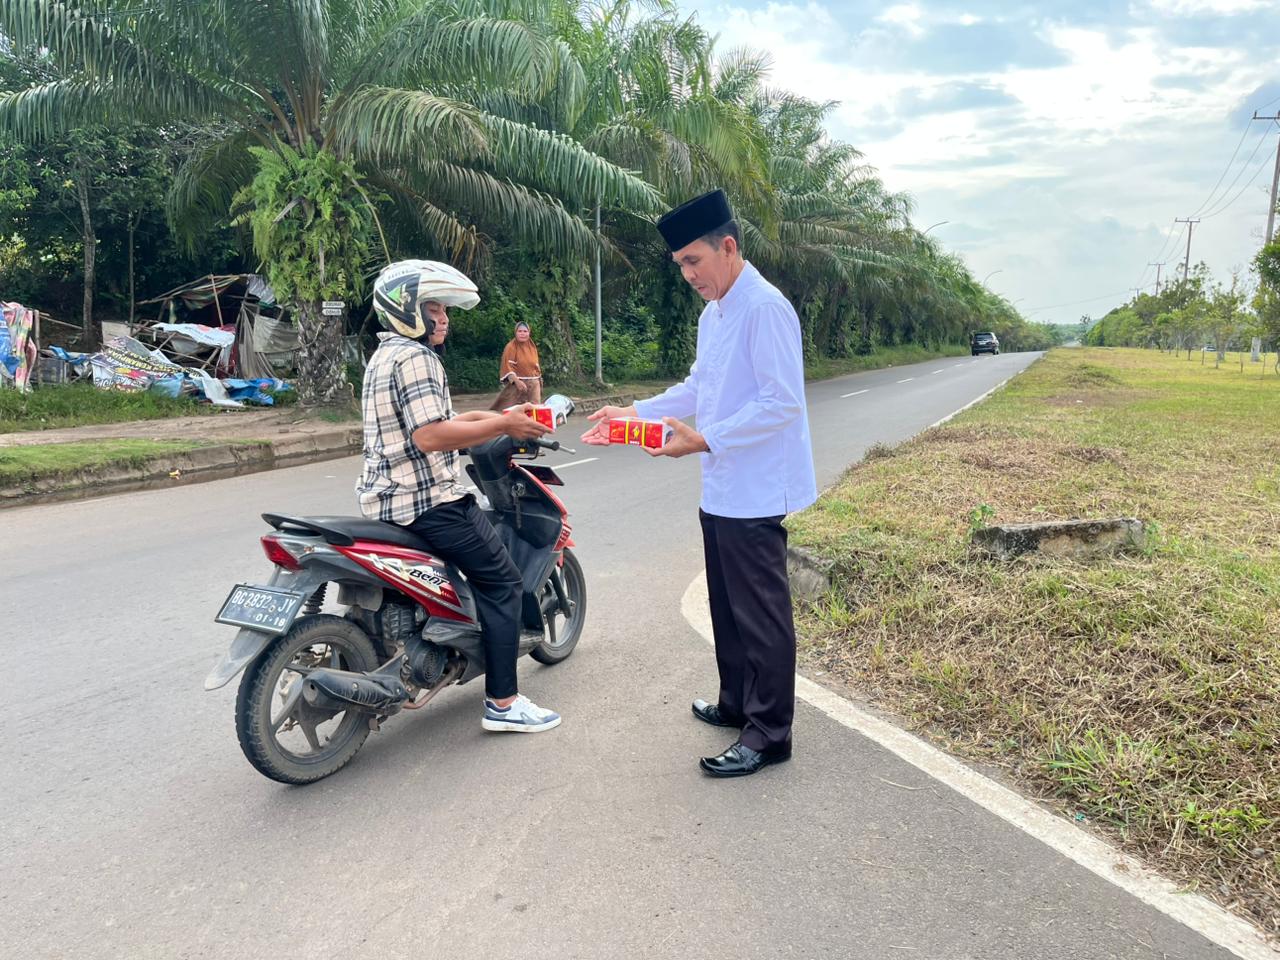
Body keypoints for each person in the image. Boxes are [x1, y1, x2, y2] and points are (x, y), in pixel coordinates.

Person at [582, 190, 817, 777]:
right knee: (728, 608)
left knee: (761, 615)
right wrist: (630, 412)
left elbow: (781, 402)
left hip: (758, 487)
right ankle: (738, 701)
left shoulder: (764, 308)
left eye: (694, 261)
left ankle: (769, 733)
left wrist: (706, 438)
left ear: (728, 247)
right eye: (680, 265)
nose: (688, 275)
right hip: (722, 487)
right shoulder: (715, 314)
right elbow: (696, 390)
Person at [357, 259, 562, 733]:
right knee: (504, 584)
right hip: (429, 503)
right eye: (433, 307)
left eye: (444, 309)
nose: (443, 318)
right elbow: (431, 437)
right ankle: (504, 703)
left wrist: (507, 414)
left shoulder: (384, 356)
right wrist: (507, 424)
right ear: (405, 309)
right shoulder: (417, 358)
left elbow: (447, 421)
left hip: (384, 501)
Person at [491, 321, 543, 409]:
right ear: (515, 333)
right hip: (517, 384)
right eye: (520, 331)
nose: (522, 334)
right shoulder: (511, 346)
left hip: (533, 384)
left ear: (529, 333)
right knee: (514, 410)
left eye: (525, 331)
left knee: (535, 409)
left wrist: (538, 382)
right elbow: (507, 366)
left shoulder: (532, 347)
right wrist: (517, 381)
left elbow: (535, 366)